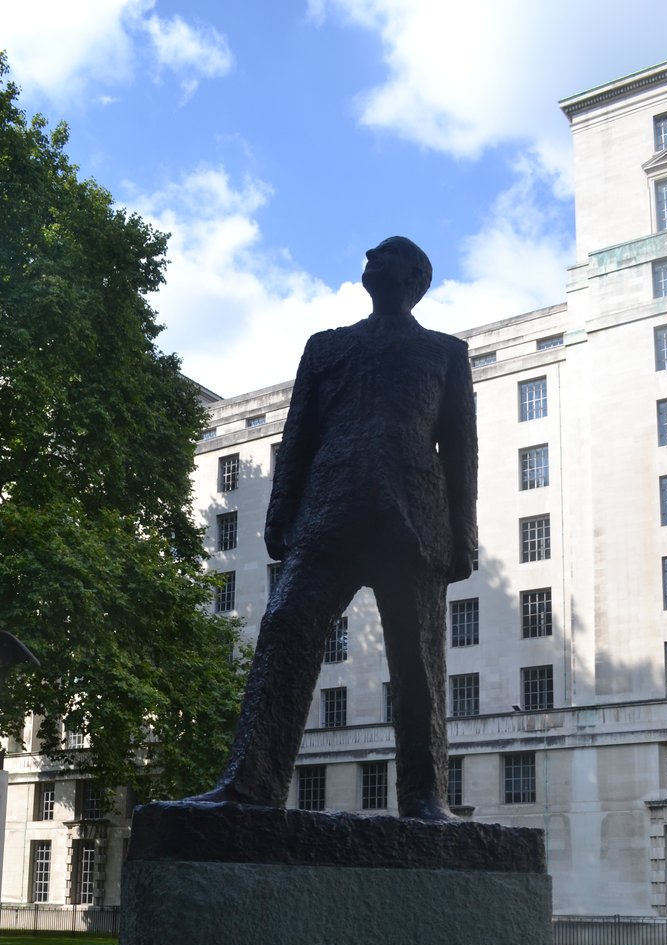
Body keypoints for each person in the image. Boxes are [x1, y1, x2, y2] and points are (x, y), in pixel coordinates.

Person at [193, 236, 478, 820]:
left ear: (413, 277)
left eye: (384, 256)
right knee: (283, 628)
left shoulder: (445, 354)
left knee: (419, 662)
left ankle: (425, 797)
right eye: (368, 255)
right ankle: (251, 783)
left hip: (412, 522)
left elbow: (461, 453)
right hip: (328, 513)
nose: (369, 261)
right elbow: (296, 438)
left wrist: (462, 536)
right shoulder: (326, 347)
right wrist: (279, 518)